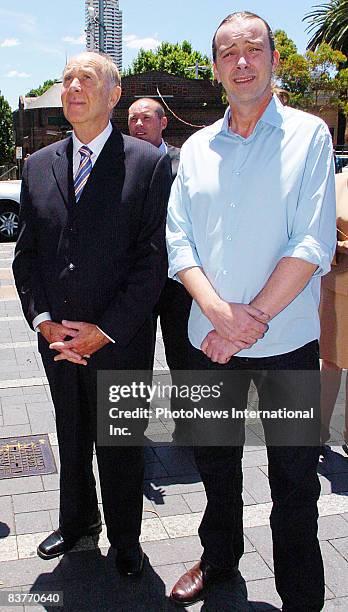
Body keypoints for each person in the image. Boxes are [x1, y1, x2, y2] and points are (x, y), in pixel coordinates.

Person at [166, 11, 336, 610]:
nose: (242, 61)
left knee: (294, 482)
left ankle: (301, 595)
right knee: (215, 465)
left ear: (273, 60)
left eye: (254, 49)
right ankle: (218, 560)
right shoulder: (195, 148)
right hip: (207, 342)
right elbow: (179, 241)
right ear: (216, 69)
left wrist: (245, 322)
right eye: (229, 52)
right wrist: (217, 313)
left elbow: (311, 243)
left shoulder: (310, 136)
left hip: (286, 343)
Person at [13, 51, 172, 576]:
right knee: (71, 433)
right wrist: (44, 322)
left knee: (121, 442)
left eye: (87, 78)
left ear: (113, 95)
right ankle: (78, 522)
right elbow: (26, 258)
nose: (73, 86)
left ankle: (127, 539)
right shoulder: (37, 167)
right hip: (57, 340)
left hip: (120, 341)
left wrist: (104, 330)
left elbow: (154, 262)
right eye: (67, 78)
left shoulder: (147, 165)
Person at [128, 99, 192, 439]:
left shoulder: (185, 162)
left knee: (183, 355)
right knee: (134, 360)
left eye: (146, 118)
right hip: (135, 281)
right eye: (132, 119)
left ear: (163, 123)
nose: (139, 124)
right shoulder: (120, 162)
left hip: (178, 280)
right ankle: (132, 429)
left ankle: (187, 425)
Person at [320, 173, 348, 454]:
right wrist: (339, 246)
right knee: (330, 364)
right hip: (338, 286)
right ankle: (319, 429)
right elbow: (319, 231)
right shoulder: (337, 182)